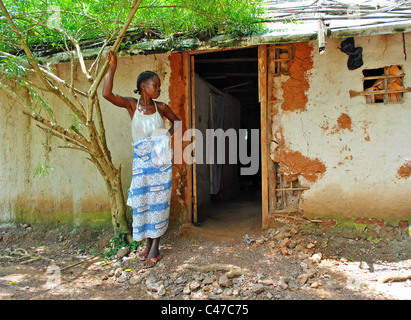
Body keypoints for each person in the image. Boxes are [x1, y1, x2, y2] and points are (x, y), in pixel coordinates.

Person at [102, 50, 180, 268]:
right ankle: (147, 244)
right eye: (155, 85)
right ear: (143, 86)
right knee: (143, 202)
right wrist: (112, 66)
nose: (158, 88)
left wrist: (164, 136)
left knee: (158, 202)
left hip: (160, 163)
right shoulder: (131, 105)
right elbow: (106, 94)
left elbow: (179, 123)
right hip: (141, 165)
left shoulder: (161, 108)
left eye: (159, 85)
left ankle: (155, 247)